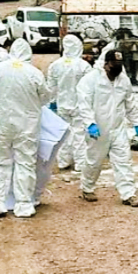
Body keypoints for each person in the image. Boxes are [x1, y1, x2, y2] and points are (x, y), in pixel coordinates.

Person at [0, 39, 50, 218]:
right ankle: (24, 204)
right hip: (27, 125)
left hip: (2, 123)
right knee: (25, 162)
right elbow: (44, 97)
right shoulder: (34, 73)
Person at [76, 50, 138, 207]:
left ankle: (129, 194)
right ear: (106, 64)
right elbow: (84, 103)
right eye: (114, 64)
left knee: (123, 160)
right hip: (98, 129)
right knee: (94, 161)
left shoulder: (123, 81)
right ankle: (87, 188)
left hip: (118, 128)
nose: (117, 67)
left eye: (120, 64)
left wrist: (137, 123)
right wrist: (90, 123)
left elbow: (130, 104)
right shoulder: (91, 80)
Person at [46, 34, 92, 172]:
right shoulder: (84, 66)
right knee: (79, 134)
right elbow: (90, 87)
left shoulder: (55, 66)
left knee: (63, 134)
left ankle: (63, 161)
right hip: (79, 105)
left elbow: (51, 87)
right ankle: (80, 163)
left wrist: (52, 102)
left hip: (62, 104)